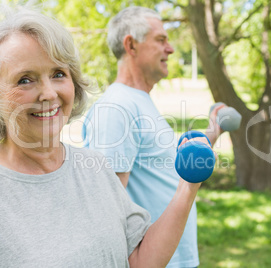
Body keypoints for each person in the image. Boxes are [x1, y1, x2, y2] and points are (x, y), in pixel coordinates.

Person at [0, 5, 212, 267]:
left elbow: (138, 261)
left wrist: (188, 186)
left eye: (58, 74)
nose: (49, 93)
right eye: (25, 79)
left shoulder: (96, 169)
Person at [82, 6, 224, 268]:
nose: (170, 49)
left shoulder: (137, 101)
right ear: (131, 45)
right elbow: (108, 214)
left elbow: (162, 168)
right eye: (161, 40)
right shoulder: (117, 108)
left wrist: (213, 131)